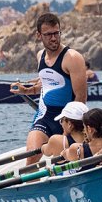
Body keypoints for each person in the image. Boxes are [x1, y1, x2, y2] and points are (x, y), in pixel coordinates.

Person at [10, 12, 88, 164]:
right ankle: (33, 187)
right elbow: (48, 84)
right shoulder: (40, 55)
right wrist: (27, 91)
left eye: (56, 33)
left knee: (64, 163)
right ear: (39, 35)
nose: (53, 38)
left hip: (68, 120)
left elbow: (81, 99)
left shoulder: (72, 58)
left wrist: (72, 128)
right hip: (44, 117)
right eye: (48, 34)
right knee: (31, 157)